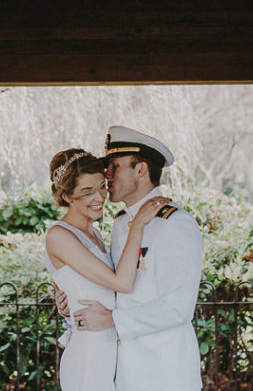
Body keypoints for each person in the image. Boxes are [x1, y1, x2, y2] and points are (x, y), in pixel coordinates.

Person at [72, 126, 204, 391]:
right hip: (125, 372)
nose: (106, 175)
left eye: (114, 166)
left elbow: (178, 307)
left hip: (164, 373)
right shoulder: (121, 224)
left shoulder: (175, 223)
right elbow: (115, 284)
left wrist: (112, 320)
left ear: (141, 170)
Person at [45, 147, 170, 391]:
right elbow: (121, 283)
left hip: (112, 351)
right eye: (86, 192)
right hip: (89, 355)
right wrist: (138, 225)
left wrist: (66, 302)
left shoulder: (96, 234)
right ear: (67, 197)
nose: (99, 197)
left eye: (101, 186)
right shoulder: (58, 235)